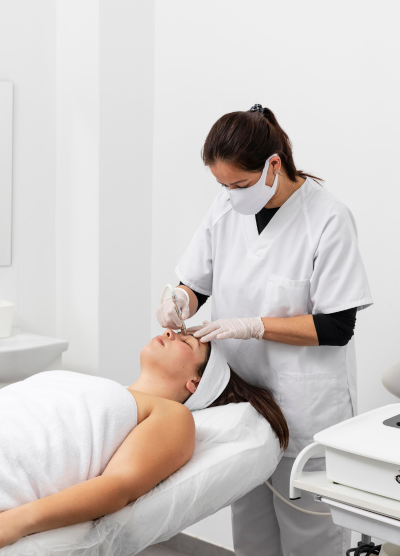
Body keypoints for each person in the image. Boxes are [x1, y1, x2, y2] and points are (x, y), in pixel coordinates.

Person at [156, 104, 373, 555]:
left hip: (305, 406)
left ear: (274, 165)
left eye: (238, 184)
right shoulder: (226, 207)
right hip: (242, 404)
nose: (230, 195)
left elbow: (337, 325)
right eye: (222, 185)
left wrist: (254, 326)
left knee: (310, 537)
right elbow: (196, 282)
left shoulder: (328, 219)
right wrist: (180, 298)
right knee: (251, 532)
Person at [0, 329, 288, 549]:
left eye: (185, 342)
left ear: (195, 383)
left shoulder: (172, 415)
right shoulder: (106, 388)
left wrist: (17, 522)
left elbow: (118, 487)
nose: (168, 332)